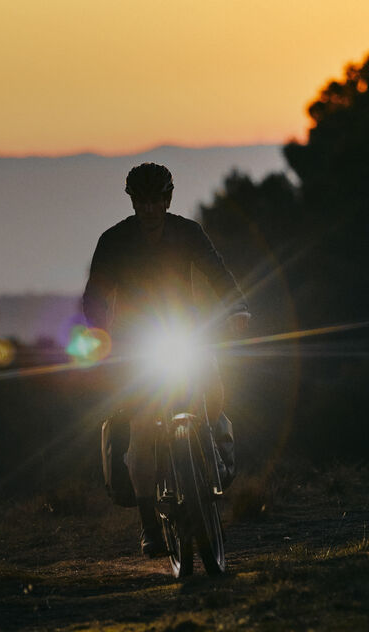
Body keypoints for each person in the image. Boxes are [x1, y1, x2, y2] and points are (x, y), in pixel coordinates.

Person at [82, 163, 250, 558]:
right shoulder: (114, 241)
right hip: (135, 343)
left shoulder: (188, 233)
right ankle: (148, 525)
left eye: (156, 200)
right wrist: (99, 331)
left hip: (184, 331)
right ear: (133, 203)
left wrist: (237, 307)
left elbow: (218, 272)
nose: (149, 209)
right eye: (141, 201)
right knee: (141, 433)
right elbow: (95, 295)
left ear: (167, 200)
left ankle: (211, 444)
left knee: (211, 384)